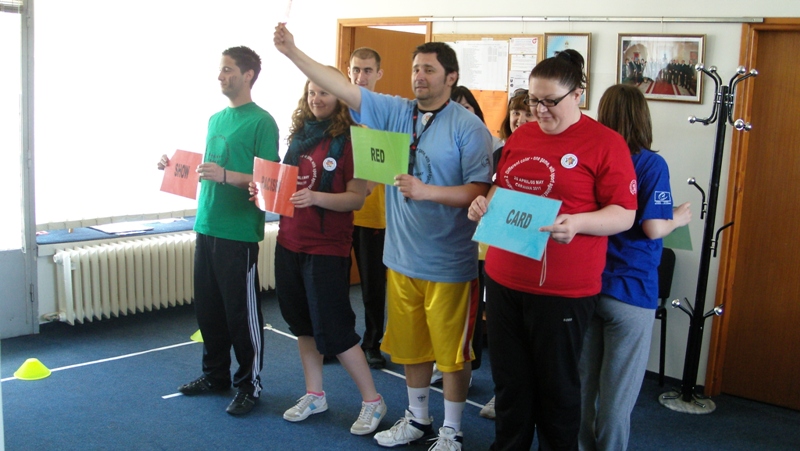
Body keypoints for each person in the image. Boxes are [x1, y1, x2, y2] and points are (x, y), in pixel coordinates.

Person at [274, 24, 493, 451]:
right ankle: (418, 418)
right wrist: (292, 52)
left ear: (451, 77)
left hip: (449, 263)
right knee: (410, 348)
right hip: (401, 258)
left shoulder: (469, 127)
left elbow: (479, 190)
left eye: (429, 70)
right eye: (415, 69)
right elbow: (342, 87)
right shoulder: (396, 112)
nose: (419, 77)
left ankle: (452, 429)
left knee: (452, 354)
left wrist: (427, 191)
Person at [467, 49, 638, 450]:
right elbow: (502, 185)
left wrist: (578, 223)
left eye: (549, 101)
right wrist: (484, 204)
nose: (539, 111)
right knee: (510, 383)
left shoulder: (605, 143)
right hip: (505, 278)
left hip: (562, 288)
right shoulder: (523, 136)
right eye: (533, 101)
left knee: (557, 389)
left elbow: (624, 214)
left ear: (578, 95)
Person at [250, 70, 387, 436]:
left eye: (324, 92)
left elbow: (356, 199)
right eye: (312, 92)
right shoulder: (300, 136)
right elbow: (284, 185)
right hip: (290, 241)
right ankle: (315, 394)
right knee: (302, 325)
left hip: (326, 248)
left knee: (335, 329)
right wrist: (262, 191)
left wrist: (315, 197)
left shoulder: (352, 141)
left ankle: (373, 400)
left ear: (340, 96)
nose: (316, 99)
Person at [158, 46, 278, 416]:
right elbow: (207, 168)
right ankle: (215, 375)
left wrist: (226, 176)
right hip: (206, 224)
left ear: (248, 75)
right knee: (208, 310)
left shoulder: (262, 122)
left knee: (241, 315)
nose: (221, 76)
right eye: (220, 69)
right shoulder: (215, 119)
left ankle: (249, 385)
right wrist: (173, 166)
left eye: (228, 70)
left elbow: (269, 179)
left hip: (238, 232)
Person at [579, 84, 691, 451]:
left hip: (589, 283)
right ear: (643, 117)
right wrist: (677, 218)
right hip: (631, 290)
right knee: (618, 395)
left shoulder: (592, 158)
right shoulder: (650, 164)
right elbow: (654, 228)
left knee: (583, 386)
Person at [477, 88, 536, 421]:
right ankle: (503, 396)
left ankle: (525, 399)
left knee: (528, 336)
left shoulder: (543, 154)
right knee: (504, 337)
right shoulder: (502, 152)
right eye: (516, 112)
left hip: (529, 253)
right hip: (499, 249)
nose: (520, 118)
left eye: (527, 112)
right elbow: (492, 196)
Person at [347, 47, 388, 369]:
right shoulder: (338, 112)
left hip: (373, 214)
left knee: (373, 285)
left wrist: (368, 185)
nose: (361, 76)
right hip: (337, 212)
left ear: (378, 74)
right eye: (356, 70)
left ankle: (373, 343)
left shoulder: (386, 114)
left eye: (368, 70)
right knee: (334, 283)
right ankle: (341, 341)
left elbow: (391, 162)